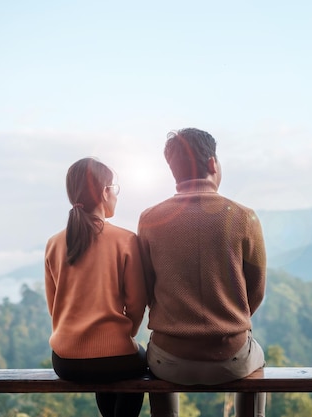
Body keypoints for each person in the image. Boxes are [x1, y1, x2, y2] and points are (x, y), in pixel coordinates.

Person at [138, 128, 268, 417]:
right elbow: (256, 292)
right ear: (212, 164)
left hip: (168, 358)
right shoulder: (244, 217)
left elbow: (146, 288)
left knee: (158, 366)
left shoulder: (149, 220)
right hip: (230, 356)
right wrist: (229, 317)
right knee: (256, 359)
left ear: (173, 171)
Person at [45, 157, 148, 417]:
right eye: (115, 188)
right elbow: (137, 303)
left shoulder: (54, 243)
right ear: (105, 192)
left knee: (106, 365)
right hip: (117, 358)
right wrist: (124, 336)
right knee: (136, 363)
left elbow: (54, 306)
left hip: (65, 361)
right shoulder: (125, 240)